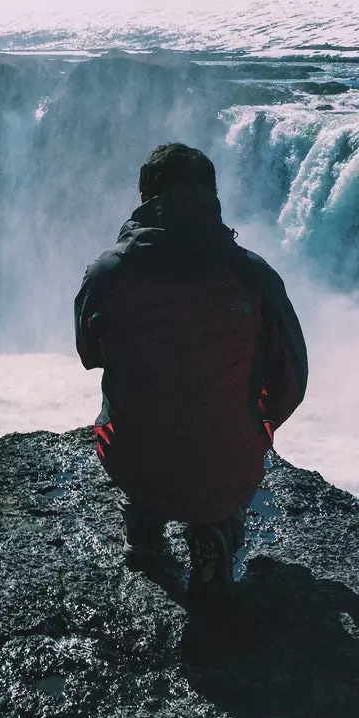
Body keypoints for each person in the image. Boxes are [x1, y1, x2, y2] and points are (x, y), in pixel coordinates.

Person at [74, 143, 307, 597]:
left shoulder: (106, 274)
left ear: (144, 197)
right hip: (227, 465)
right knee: (220, 434)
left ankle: (144, 523)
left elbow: (90, 353)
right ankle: (215, 534)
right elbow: (292, 379)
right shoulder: (255, 276)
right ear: (212, 197)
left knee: (123, 399)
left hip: (133, 458)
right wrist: (255, 425)